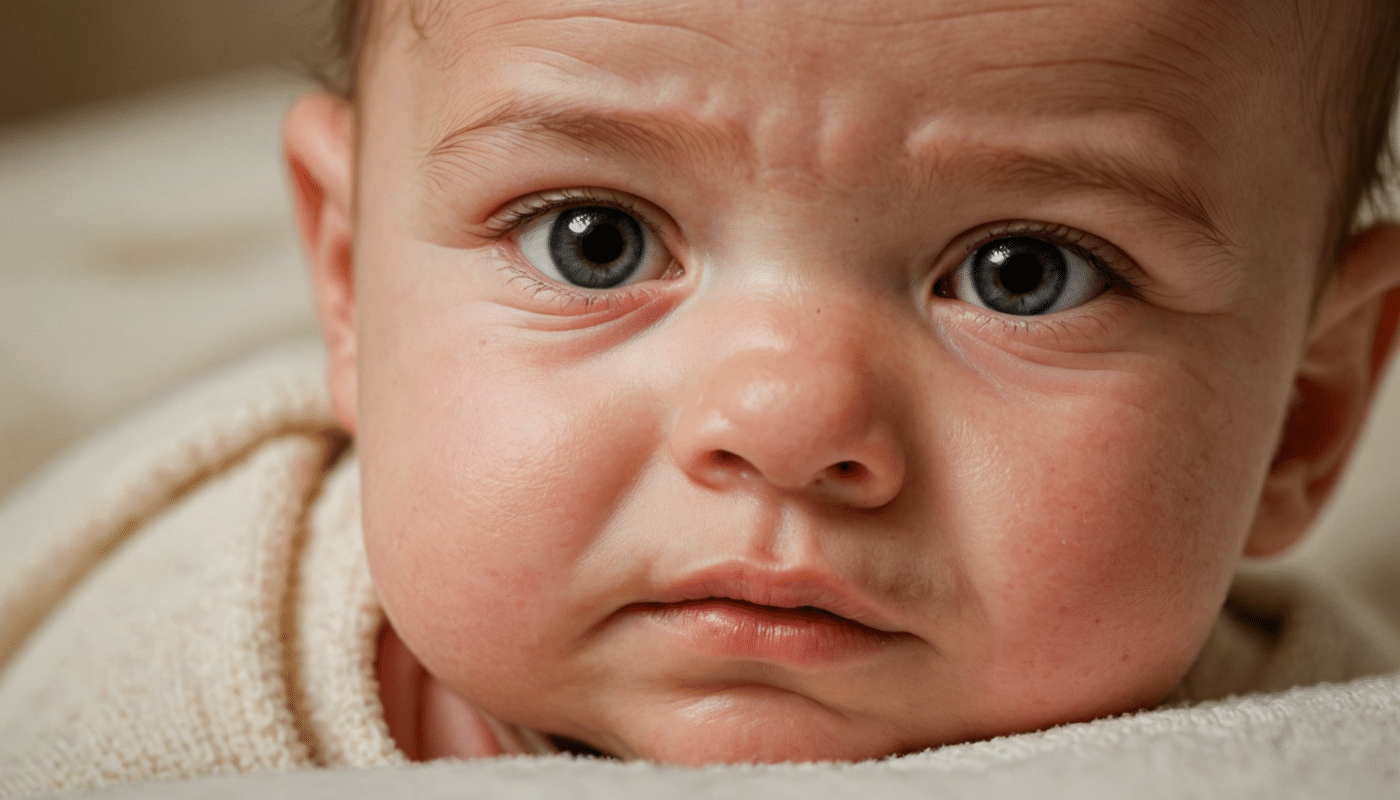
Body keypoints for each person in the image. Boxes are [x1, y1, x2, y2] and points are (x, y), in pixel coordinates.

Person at [4, 0, 1400, 791]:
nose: (786, 425)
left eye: (1025, 271)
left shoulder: (1311, 746)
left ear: (1306, 409)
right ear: (349, 284)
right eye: (592, 238)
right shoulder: (165, 709)